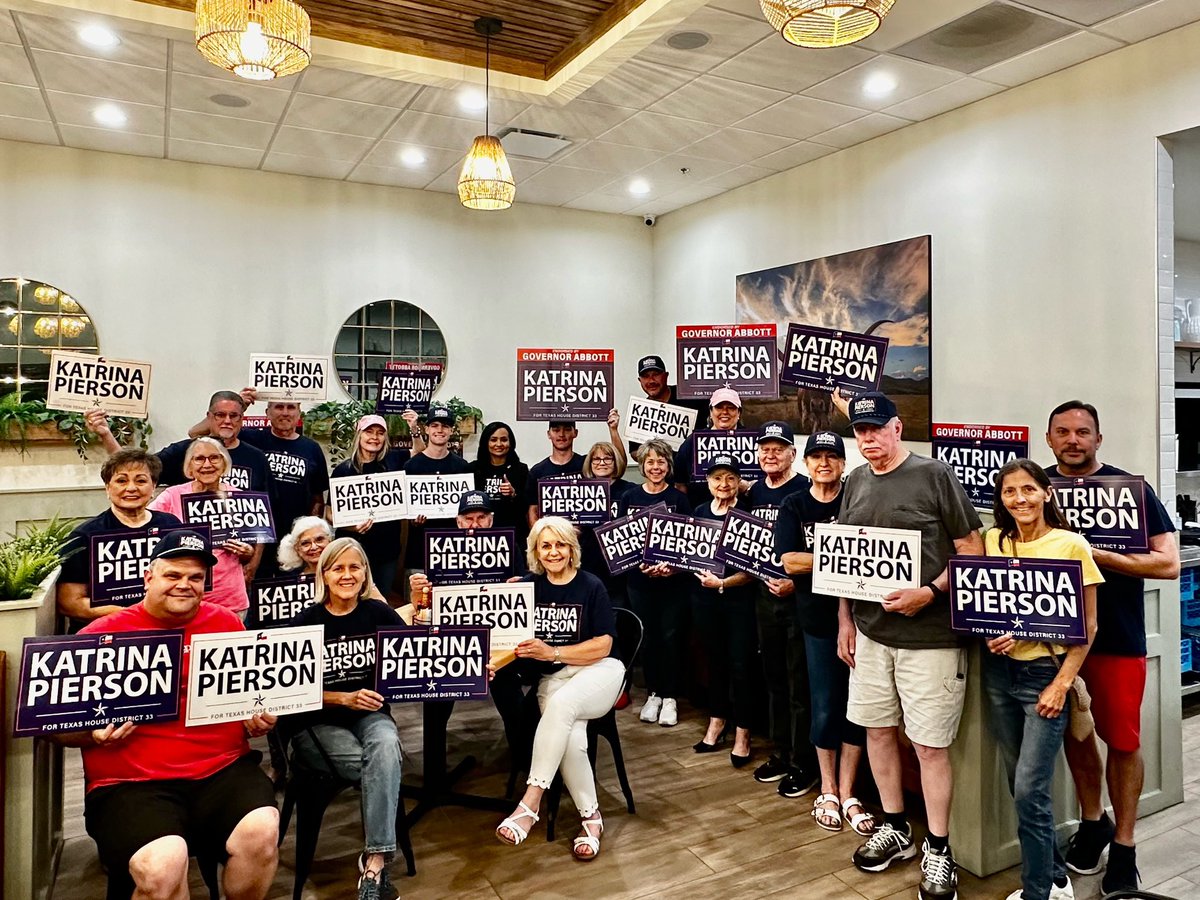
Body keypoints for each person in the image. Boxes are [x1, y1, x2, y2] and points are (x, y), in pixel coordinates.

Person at [53, 529, 279, 900]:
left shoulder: (227, 624)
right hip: (129, 783)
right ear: (149, 577)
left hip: (222, 769)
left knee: (263, 830)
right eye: (173, 575)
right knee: (164, 865)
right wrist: (92, 735)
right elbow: (52, 728)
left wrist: (259, 716)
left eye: (195, 578)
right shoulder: (101, 635)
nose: (184, 585)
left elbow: (255, 697)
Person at [834, 392, 983, 900]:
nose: (869, 439)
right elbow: (843, 558)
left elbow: (972, 550)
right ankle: (894, 827)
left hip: (931, 639)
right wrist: (845, 622)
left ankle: (938, 850)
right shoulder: (854, 480)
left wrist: (931, 592)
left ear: (897, 428)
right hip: (872, 635)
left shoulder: (935, 475)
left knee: (929, 746)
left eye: (877, 429)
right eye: (860, 431)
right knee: (878, 733)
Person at [1044, 401, 1179, 892]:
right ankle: (1092, 820)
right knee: (1075, 737)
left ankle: (1124, 846)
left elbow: (1168, 564)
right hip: (1052, 641)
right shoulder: (1034, 488)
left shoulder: (1132, 490)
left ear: (1099, 439)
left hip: (1118, 636)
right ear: (1049, 437)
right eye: (1064, 431)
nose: (1073, 440)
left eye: (1083, 432)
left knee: (1122, 741)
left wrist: (1098, 555)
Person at [984, 459, 1102, 900]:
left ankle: (1037, 893)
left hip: (1045, 676)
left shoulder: (1071, 545)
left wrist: (1062, 683)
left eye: (1029, 489)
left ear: (1046, 493)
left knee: (1031, 789)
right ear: (1000, 499)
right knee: (1019, 781)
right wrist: (989, 635)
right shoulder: (993, 541)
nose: (1020, 499)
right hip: (1000, 674)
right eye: (1010, 491)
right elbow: (983, 600)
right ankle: (1054, 877)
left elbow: (1087, 626)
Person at [495, 517, 623, 861]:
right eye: (545, 545)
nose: (553, 552)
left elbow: (603, 646)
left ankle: (531, 801)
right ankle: (591, 818)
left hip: (600, 672)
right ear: (536, 551)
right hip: (553, 679)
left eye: (560, 544)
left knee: (561, 706)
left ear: (572, 549)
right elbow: (505, 635)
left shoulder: (591, 585)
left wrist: (552, 652)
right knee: (573, 736)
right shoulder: (525, 587)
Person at [287, 537, 406, 900]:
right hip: (315, 725)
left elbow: (419, 657)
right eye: (338, 567)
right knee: (384, 765)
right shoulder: (306, 622)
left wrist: (470, 668)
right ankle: (379, 861)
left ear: (365, 573)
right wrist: (343, 697)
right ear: (323, 574)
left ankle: (374, 861)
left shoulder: (378, 613)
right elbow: (287, 688)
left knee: (386, 745)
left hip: (370, 717)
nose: (347, 575)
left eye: (355, 567)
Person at [777, 431, 872, 833]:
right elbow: (789, 562)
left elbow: (875, 550)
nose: (823, 463)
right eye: (816, 456)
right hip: (816, 621)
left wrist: (821, 559)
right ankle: (828, 788)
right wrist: (841, 555)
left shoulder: (857, 498)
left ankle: (849, 791)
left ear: (842, 463)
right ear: (805, 463)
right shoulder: (793, 504)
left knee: (858, 706)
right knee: (825, 704)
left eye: (831, 456)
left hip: (864, 623)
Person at [407, 490, 533, 769]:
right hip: (453, 637)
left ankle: (527, 769)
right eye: (468, 518)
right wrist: (420, 591)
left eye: (481, 518)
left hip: (498, 640)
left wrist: (519, 583)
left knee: (510, 697)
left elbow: (523, 587)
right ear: (458, 521)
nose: (475, 524)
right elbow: (426, 602)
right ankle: (435, 769)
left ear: (491, 520)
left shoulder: (508, 546)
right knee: (438, 692)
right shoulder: (441, 547)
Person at [744, 421, 816, 796]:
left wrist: (795, 581)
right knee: (772, 678)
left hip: (798, 599)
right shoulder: (754, 490)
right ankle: (781, 751)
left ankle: (805, 761)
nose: (770, 455)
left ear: (792, 454)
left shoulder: (805, 490)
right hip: (763, 597)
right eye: (765, 448)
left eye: (779, 448)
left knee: (798, 683)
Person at [57, 448, 183, 632]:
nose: (131, 488)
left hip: (164, 629)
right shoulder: (84, 536)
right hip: (105, 634)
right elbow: (69, 603)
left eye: (141, 480)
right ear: (107, 487)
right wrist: (127, 614)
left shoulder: (171, 525)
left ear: (154, 486)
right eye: (121, 480)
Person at [617, 439, 691, 728]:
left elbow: (687, 543)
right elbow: (622, 541)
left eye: (661, 461)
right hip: (639, 581)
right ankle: (653, 694)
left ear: (668, 466)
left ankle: (670, 697)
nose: (656, 467)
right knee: (648, 638)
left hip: (673, 583)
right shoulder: (629, 498)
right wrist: (640, 565)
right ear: (643, 466)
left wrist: (671, 568)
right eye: (650, 461)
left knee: (671, 637)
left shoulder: (679, 499)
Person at [691, 454, 757, 767]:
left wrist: (723, 583)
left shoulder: (747, 515)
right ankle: (717, 721)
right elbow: (690, 556)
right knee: (713, 662)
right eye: (717, 478)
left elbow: (752, 568)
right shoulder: (700, 512)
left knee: (742, 667)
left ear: (738, 481)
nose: (724, 484)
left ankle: (744, 732)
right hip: (706, 603)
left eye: (730, 478)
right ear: (708, 482)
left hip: (739, 601)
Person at [149, 437, 258, 618]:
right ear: (189, 467)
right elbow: (145, 528)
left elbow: (249, 551)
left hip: (229, 599)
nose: (207, 464)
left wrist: (247, 552)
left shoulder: (239, 497)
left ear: (224, 464)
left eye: (214, 458)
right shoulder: (172, 495)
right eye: (199, 459)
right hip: (181, 596)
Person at [223, 397, 331, 576]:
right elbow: (198, 432)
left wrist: (310, 535)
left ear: (299, 413)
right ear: (267, 413)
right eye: (279, 407)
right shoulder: (251, 438)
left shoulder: (311, 448)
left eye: (291, 407)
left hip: (295, 539)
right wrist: (240, 402)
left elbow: (317, 497)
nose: (285, 412)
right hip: (254, 536)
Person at [330, 414, 411, 601]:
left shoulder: (393, 463)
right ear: (359, 435)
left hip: (386, 551)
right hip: (352, 551)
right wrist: (352, 526)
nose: (374, 437)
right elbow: (329, 513)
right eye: (369, 432)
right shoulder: (344, 470)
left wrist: (413, 426)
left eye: (380, 433)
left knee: (380, 600)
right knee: (352, 599)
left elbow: (421, 452)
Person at [400, 405, 472, 585]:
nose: (440, 430)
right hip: (419, 553)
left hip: (454, 553)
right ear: (426, 429)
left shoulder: (463, 467)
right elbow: (405, 509)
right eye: (435, 425)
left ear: (452, 430)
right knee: (417, 609)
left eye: (445, 426)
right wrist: (412, 520)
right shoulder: (411, 466)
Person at [526, 412, 626, 526]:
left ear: (575, 433)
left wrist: (613, 430)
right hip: (553, 537)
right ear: (549, 434)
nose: (561, 434)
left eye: (567, 429)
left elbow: (618, 462)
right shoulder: (537, 471)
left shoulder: (586, 464)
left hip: (585, 536)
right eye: (556, 430)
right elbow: (533, 510)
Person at [674, 388, 744, 507]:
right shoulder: (693, 441)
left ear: (739, 413)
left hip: (743, 513)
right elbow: (680, 482)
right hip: (701, 514)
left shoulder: (753, 440)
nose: (725, 412)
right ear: (711, 412)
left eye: (731, 407)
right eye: (719, 407)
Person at [627, 354, 707, 454]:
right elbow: (634, 451)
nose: (651, 380)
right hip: (660, 469)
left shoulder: (688, 395)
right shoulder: (639, 410)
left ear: (666, 376)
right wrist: (655, 454)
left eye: (656, 374)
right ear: (640, 381)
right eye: (646, 376)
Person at [471, 421, 530, 541]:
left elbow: (528, 506)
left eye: (503, 439)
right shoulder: (472, 469)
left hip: (513, 534)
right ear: (486, 442)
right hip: (480, 534)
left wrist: (513, 494)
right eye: (493, 440)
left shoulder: (521, 470)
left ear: (511, 443)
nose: (498, 444)